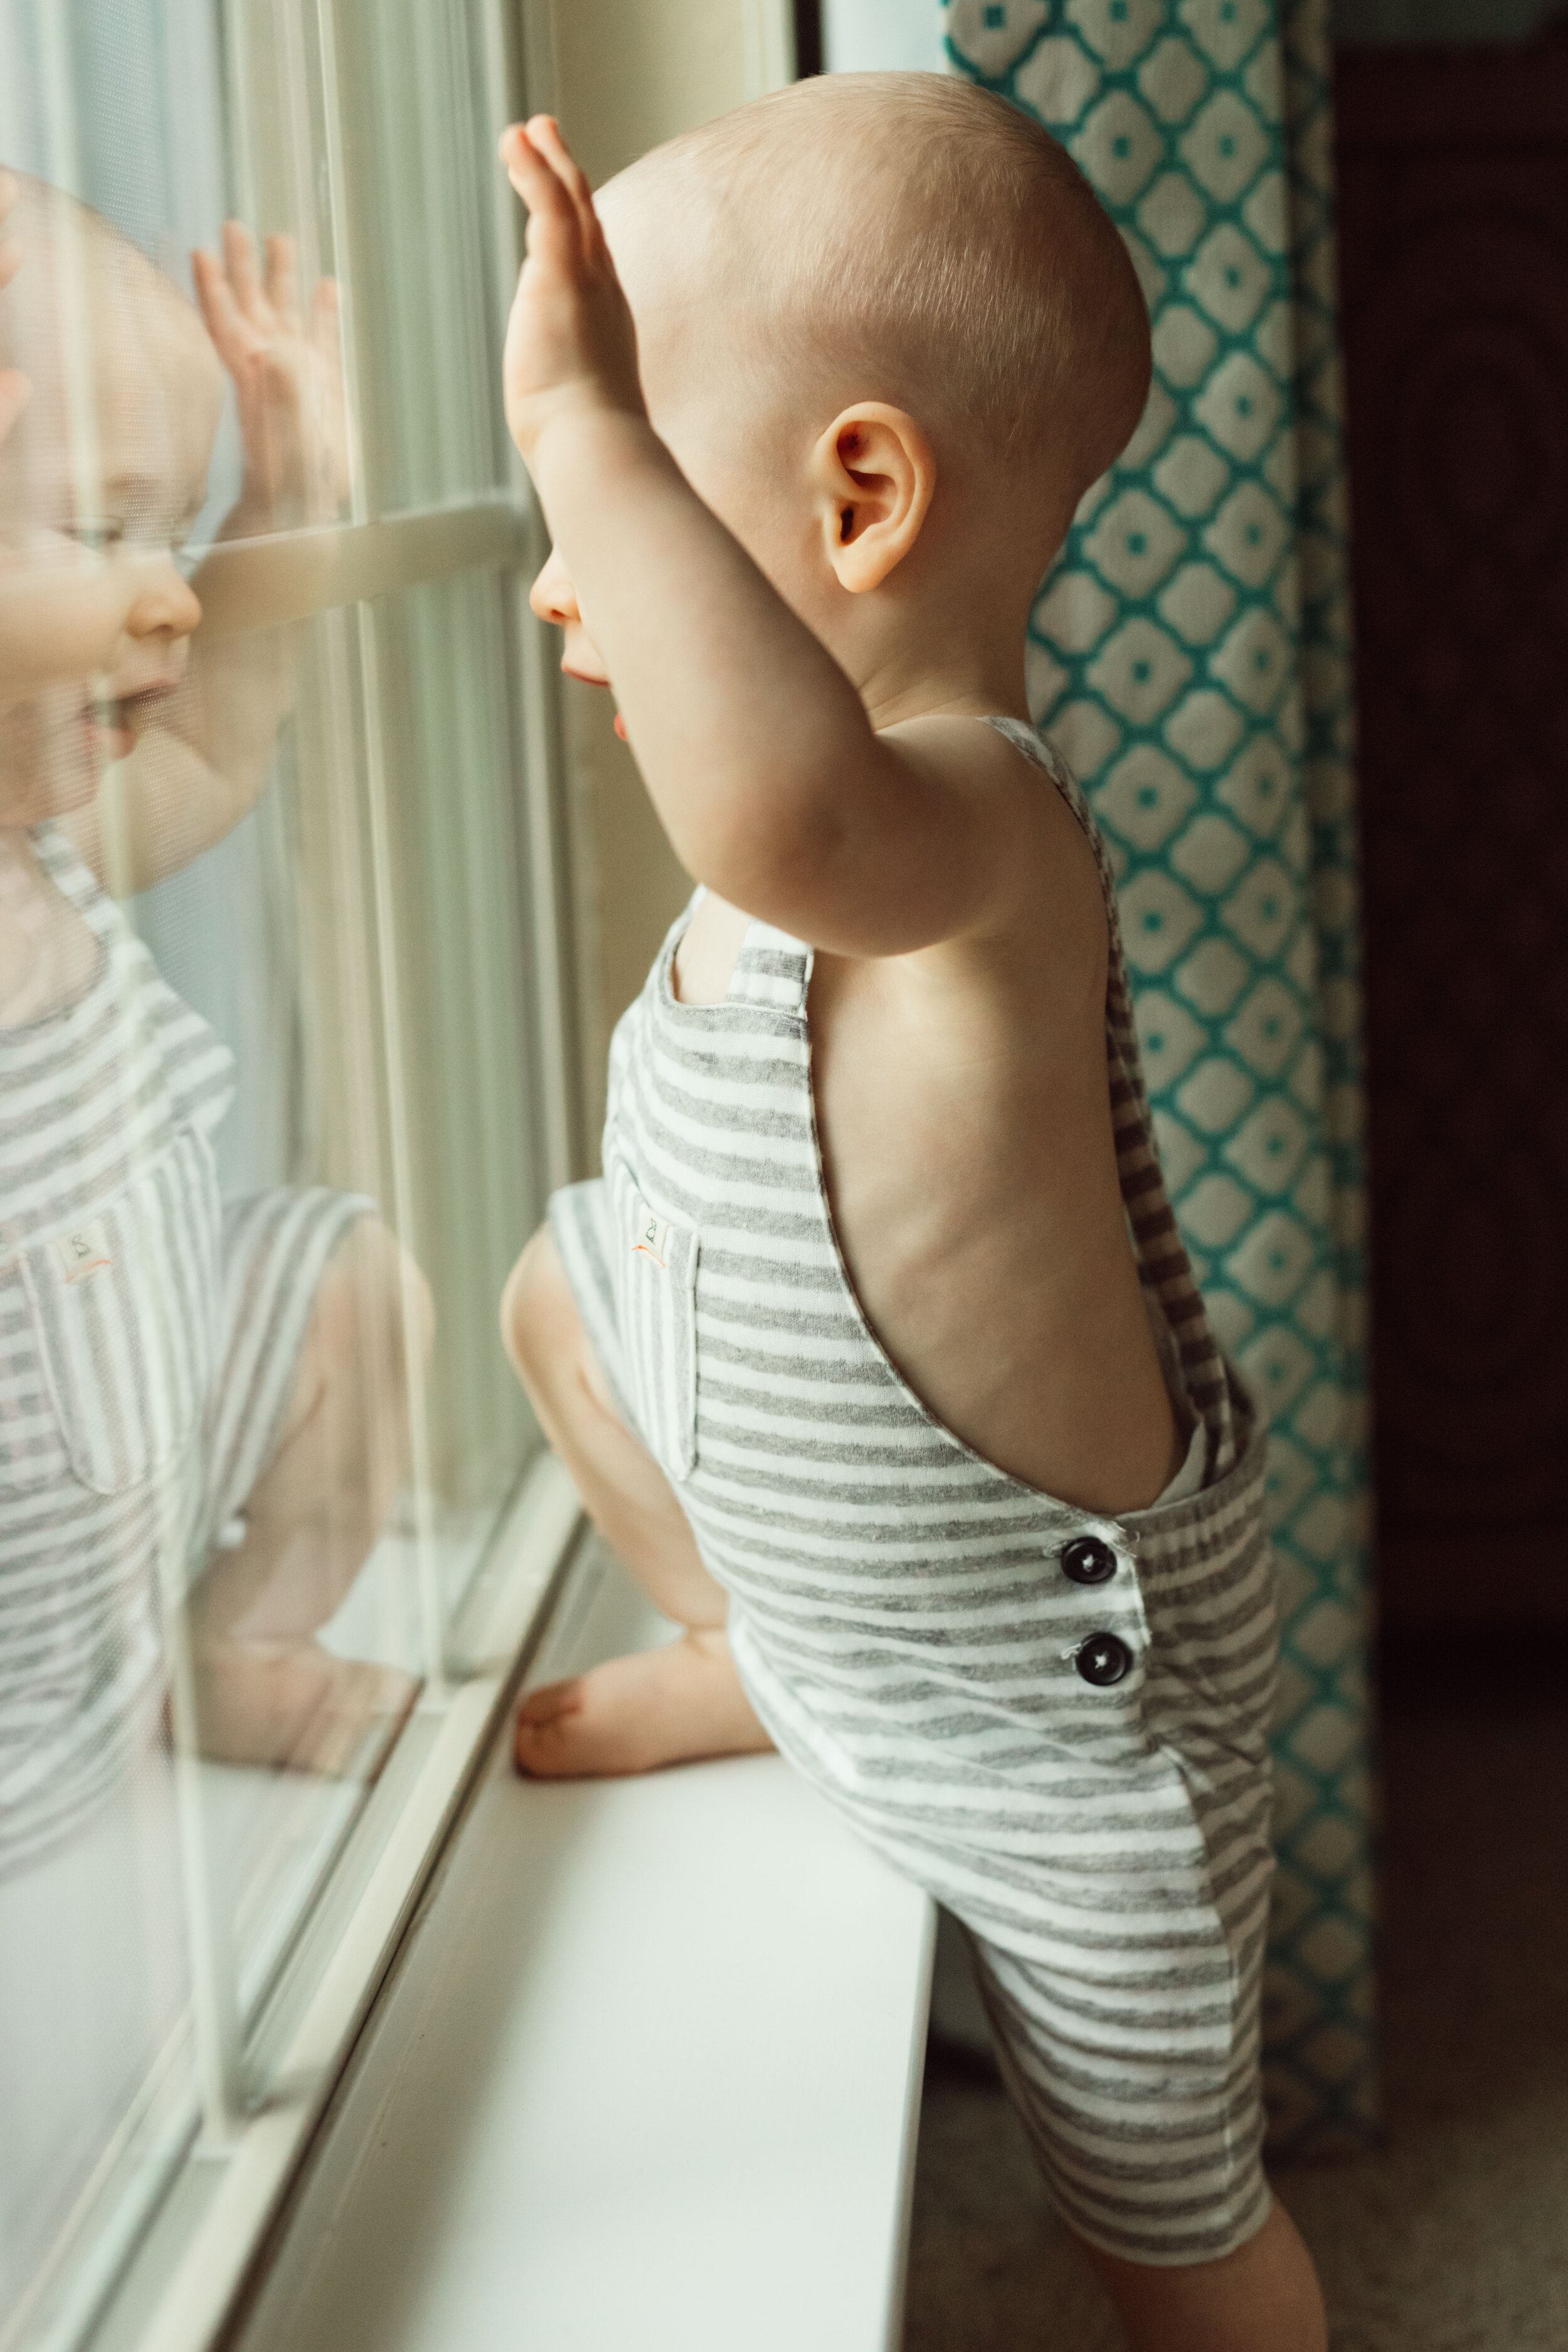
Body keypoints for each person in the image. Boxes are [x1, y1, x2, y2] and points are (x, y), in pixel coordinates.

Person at [494, 73, 1330, 2352]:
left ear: (859, 497)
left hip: (1057, 1719)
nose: (561, 567)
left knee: (1161, 2219)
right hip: (864, 1626)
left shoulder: (963, 834)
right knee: (558, 1292)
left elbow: (779, 811)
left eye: (630, 494)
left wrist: (577, 408)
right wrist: (604, 435)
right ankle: (758, 1653)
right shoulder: (806, 858)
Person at [0, 168, 422, 1877]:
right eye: (106, 532)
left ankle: (234, 1646)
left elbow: (228, 731)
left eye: (174, 537)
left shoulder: (50, 858)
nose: (168, 597)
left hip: (144, 1449)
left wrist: (295, 493)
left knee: (353, 1293)